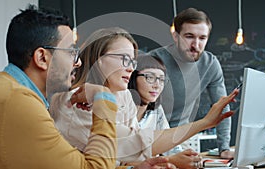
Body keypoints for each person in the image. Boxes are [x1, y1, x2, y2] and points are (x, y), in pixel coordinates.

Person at [0, 5, 176, 169]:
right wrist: (102, 97)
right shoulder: (20, 103)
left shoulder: (1, 88)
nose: (77, 62)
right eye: (71, 53)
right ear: (42, 58)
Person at [49, 27, 239, 168]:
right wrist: (204, 123)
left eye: (132, 60)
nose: (131, 67)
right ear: (98, 59)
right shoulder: (76, 103)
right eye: (124, 58)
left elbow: (124, 156)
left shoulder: (123, 96)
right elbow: (136, 142)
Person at [149, 7, 233, 158]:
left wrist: (224, 148)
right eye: (189, 37)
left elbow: (222, 106)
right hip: (150, 138)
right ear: (176, 36)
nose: (196, 44)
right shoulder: (152, 61)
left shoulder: (210, 64)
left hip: (181, 139)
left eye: (202, 38)